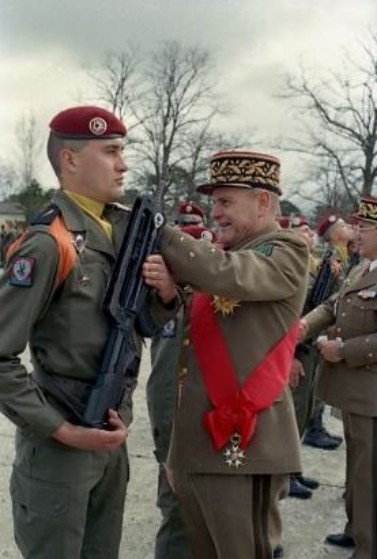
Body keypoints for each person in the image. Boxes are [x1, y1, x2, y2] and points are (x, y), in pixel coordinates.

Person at [0, 105, 178, 559]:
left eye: (123, 151)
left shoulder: (122, 230)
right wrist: (61, 430)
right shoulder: (50, 242)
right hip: (61, 448)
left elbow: (133, 327)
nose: (124, 163)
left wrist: (165, 298)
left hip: (110, 436)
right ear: (71, 160)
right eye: (111, 151)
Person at [143, 150, 310, 559]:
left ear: (264, 202)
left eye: (225, 201)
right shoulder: (221, 253)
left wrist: (159, 231)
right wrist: (169, 293)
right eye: (214, 202)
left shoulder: (285, 250)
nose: (214, 212)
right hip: (201, 438)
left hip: (247, 445)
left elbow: (229, 275)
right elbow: (193, 332)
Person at [300, 194, 377, 559]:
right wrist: (303, 326)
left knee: (369, 473)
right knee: (357, 468)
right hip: (356, 392)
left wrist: (344, 351)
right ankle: (356, 529)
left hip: (371, 392)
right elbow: (333, 305)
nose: (356, 234)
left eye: (364, 228)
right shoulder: (363, 268)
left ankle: (368, 544)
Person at [146, 212, 215, 559]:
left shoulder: (201, 303)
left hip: (201, 435)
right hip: (177, 437)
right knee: (178, 516)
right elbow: (163, 387)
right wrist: (168, 446)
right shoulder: (175, 310)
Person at [278, 215, 321, 500]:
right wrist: (290, 355)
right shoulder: (288, 266)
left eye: (309, 230)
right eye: (301, 230)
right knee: (289, 414)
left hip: (307, 350)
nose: (309, 234)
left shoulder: (308, 265)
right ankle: (283, 475)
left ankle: (292, 470)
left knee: (302, 411)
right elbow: (285, 318)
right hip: (292, 352)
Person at [303, 213, 353, 450]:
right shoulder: (331, 260)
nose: (350, 227)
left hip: (331, 333)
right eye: (343, 225)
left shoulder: (345, 257)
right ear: (333, 235)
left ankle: (316, 425)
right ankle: (312, 428)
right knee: (313, 387)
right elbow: (319, 300)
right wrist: (320, 334)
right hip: (319, 335)